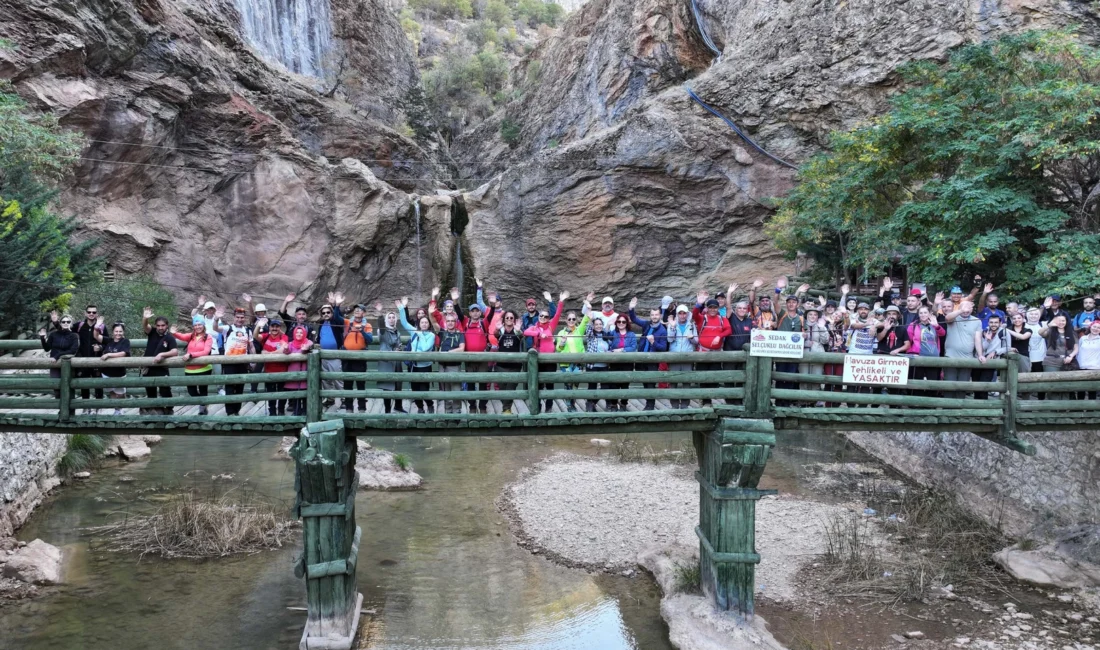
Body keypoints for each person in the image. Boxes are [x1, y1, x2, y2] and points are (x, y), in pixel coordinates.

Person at [523, 292, 568, 412]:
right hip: (538, 360)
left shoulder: (550, 326)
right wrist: (538, 333)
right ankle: (537, 406)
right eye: (541, 316)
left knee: (550, 385)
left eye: (546, 316)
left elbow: (557, 314)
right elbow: (526, 332)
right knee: (537, 385)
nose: (543, 318)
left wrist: (560, 301)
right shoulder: (535, 326)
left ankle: (549, 407)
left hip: (550, 360)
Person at [397, 298, 438, 414]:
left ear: (428, 324)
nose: (424, 324)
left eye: (426, 322)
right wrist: (401, 308)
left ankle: (430, 404)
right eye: (422, 323)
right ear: (419, 324)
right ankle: (420, 407)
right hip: (414, 366)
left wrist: (420, 334)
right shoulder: (415, 331)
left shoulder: (431, 335)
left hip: (425, 366)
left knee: (424, 390)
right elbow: (404, 323)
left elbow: (425, 348)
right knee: (415, 390)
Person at [628, 297, 668, 411]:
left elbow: (663, 348)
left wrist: (653, 342)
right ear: (650, 316)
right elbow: (634, 319)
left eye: (656, 315)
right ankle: (648, 404)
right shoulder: (646, 324)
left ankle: (650, 406)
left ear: (660, 316)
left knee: (651, 384)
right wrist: (631, 308)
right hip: (642, 359)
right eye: (652, 315)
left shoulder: (662, 330)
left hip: (652, 361)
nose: (654, 317)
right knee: (645, 384)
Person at [693, 295, 732, 406]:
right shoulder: (702, 318)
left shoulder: (722, 319)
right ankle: (705, 400)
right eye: (710, 307)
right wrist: (698, 304)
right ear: (707, 308)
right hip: (703, 353)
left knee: (714, 377)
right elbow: (694, 315)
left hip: (716, 354)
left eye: (715, 307)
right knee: (702, 376)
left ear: (718, 308)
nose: (713, 310)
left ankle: (709, 398)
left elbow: (729, 330)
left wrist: (719, 336)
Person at [171, 316, 215, 415]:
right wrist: (173, 332)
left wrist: (191, 355)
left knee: (203, 389)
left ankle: (202, 409)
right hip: (190, 369)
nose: (197, 327)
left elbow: (206, 351)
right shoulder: (191, 336)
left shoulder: (208, 337)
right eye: (195, 325)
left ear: (203, 325)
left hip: (204, 368)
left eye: (199, 324)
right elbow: (181, 336)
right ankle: (203, 403)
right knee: (192, 391)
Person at [140, 308, 179, 414]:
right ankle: (153, 410)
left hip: (162, 367)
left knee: (165, 389)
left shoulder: (170, 338)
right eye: (158, 325)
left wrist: (162, 354)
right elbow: (145, 326)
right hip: (149, 367)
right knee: (150, 390)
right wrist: (145, 318)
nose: (160, 327)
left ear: (166, 326)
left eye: (163, 325)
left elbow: (175, 351)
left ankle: (169, 409)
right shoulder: (152, 332)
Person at [943, 300, 982, 398]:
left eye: (969, 308)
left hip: (967, 358)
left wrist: (980, 354)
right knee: (949, 384)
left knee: (963, 385)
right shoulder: (954, 317)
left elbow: (978, 339)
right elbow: (947, 318)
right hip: (950, 357)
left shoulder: (977, 321)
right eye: (964, 308)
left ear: (972, 309)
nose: (966, 310)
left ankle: (959, 408)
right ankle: (948, 407)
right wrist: (961, 310)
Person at [494, 310, 529, 414]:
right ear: (504, 320)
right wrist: (497, 328)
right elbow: (495, 334)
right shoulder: (501, 330)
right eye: (507, 318)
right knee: (502, 389)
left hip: (514, 365)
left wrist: (519, 330)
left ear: (514, 320)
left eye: (511, 318)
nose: (509, 319)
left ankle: (506, 409)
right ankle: (506, 407)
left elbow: (522, 335)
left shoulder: (517, 331)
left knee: (511, 388)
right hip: (501, 365)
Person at [314, 293, 346, 408]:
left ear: (331, 313)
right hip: (324, 356)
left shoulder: (335, 322)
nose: (326, 314)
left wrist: (335, 305)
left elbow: (338, 317)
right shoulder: (322, 323)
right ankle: (330, 398)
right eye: (323, 313)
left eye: (328, 312)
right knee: (326, 379)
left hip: (335, 355)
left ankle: (343, 399)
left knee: (337, 377)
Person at [71, 304, 105, 413]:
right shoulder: (79, 326)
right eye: (89, 312)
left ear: (97, 314)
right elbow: (65, 329)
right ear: (85, 313)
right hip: (83, 360)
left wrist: (100, 347)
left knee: (98, 384)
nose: (91, 314)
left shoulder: (102, 326)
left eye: (94, 312)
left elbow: (108, 342)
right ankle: (86, 407)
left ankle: (98, 407)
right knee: (84, 384)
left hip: (97, 360)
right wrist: (56, 322)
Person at [221, 308, 254, 416]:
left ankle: (237, 410)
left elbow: (251, 346)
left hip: (243, 362)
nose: (240, 319)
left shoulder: (248, 330)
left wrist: (253, 360)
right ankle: (230, 412)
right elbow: (215, 328)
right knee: (230, 387)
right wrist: (216, 318)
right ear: (234, 318)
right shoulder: (228, 328)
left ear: (245, 318)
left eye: (242, 317)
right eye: (238, 317)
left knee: (240, 387)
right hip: (229, 361)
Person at [665, 305, 698, 409]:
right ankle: (674, 405)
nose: (682, 315)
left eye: (684, 313)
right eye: (680, 313)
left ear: (687, 314)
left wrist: (692, 338)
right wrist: (673, 327)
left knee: (686, 382)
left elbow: (696, 341)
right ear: (677, 314)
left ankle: (685, 404)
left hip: (687, 357)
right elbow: (670, 339)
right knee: (673, 382)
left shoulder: (692, 325)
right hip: (674, 357)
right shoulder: (672, 324)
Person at [373, 304, 405, 414]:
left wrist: (399, 349)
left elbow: (398, 344)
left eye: (393, 317)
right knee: (387, 386)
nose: (391, 319)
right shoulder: (383, 331)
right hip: (386, 362)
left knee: (398, 385)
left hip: (396, 362)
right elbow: (381, 325)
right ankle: (387, 410)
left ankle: (398, 406)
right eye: (389, 317)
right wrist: (380, 314)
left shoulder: (397, 331)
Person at [554, 310, 588, 412]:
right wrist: (562, 342)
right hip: (566, 363)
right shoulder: (561, 333)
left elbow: (585, 320)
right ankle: (570, 406)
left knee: (575, 384)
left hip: (578, 362)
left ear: (576, 320)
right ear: (566, 320)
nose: (572, 321)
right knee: (568, 384)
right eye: (569, 319)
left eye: (574, 319)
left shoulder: (579, 331)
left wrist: (588, 303)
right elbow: (558, 349)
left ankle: (572, 403)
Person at [38, 313, 79, 399]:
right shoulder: (54, 334)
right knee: (56, 386)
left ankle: (69, 411)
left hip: (67, 364)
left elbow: (72, 350)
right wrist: (42, 338)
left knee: (68, 387)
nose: (66, 323)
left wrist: (57, 356)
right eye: (63, 321)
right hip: (54, 364)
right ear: (60, 323)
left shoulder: (74, 336)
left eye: (68, 321)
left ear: (71, 323)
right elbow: (47, 348)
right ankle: (61, 410)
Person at [94, 323, 131, 415]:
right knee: (112, 392)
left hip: (119, 373)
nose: (118, 333)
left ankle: (121, 407)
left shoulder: (125, 341)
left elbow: (123, 353)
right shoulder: (109, 341)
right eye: (116, 331)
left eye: (120, 331)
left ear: (123, 332)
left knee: (120, 394)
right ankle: (117, 409)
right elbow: (96, 336)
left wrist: (108, 354)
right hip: (106, 372)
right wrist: (96, 326)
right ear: (113, 332)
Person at [433, 308, 465, 415]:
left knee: (456, 389)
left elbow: (461, 349)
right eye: (448, 321)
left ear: (456, 323)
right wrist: (430, 311)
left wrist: (448, 353)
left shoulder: (460, 334)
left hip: (454, 365)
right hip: (442, 365)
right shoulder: (442, 332)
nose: (450, 323)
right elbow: (433, 322)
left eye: (452, 321)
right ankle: (448, 411)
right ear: (446, 323)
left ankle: (457, 412)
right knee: (446, 390)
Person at [462, 302, 492, 414]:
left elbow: (491, 315)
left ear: (480, 312)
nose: (475, 313)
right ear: (469, 313)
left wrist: (492, 306)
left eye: (477, 311)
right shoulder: (466, 322)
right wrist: (455, 302)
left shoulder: (484, 323)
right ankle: (472, 406)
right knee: (470, 383)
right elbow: (459, 314)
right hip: (469, 359)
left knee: (483, 383)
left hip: (482, 358)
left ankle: (483, 406)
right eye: (473, 311)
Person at [1039, 314, 1077, 400]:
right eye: (1058, 320)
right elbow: (1040, 332)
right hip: (1051, 361)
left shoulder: (1072, 333)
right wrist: (1049, 325)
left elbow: (1076, 348)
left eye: (1063, 320)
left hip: (1067, 362)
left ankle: (1065, 407)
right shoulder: (1051, 331)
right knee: (1051, 384)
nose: (1061, 322)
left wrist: (1071, 356)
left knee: (1066, 385)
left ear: (1066, 321)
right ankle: (1054, 407)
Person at [258, 318, 290, 416]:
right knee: (270, 392)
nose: (274, 328)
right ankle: (272, 411)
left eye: (277, 326)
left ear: (280, 328)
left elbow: (281, 350)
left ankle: (281, 410)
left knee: (282, 392)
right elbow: (255, 336)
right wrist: (258, 326)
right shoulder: (266, 336)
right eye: (273, 326)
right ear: (269, 327)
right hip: (269, 370)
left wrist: (268, 354)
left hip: (282, 370)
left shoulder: (284, 337)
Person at [607, 313, 638, 412]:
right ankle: (613, 404)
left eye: (623, 322)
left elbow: (633, 347)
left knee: (625, 384)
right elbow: (605, 336)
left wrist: (621, 350)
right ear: (616, 323)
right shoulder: (613, 332)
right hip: (614, 362)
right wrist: (608, 324)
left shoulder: (631, 334)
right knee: (613, 384)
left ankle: (624, 403)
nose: (621, 323)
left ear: (626, 323)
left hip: (627, 363)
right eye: (619, 321)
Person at [906, 307, 946, 383]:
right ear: (918, 314)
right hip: (918, 357)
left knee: (932, 381)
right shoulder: (913, 325)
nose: (923, 315)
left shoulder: (934, 324)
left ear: (929, 314)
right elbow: (908, 341)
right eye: (921, 313)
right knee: (917, 381)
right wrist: (910, 354)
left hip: (933, 357)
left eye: (925, 312)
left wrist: (936, 326)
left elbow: (942, 334)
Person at [799, 305, 830, 401]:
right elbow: (794, 340)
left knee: (817, 377)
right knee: (803, 377)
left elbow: (825, 341)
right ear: (806, 316)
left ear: (818, 316)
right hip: (803, 354)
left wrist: (822, 328)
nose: (813, 316)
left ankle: (815, 400)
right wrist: (805, 342)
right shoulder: (801, 325)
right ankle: (803, 399)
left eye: (815, 315)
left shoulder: (821, 326)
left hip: (818, 354)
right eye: (810, 314)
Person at [974, 315, 1007, 400]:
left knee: (984, 384)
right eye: (991, 322)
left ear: (1000, 323)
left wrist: (995, 352)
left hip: (991, 362)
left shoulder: (1004, 332)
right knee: (976, 384)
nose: (993, 324)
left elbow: (1008, 347)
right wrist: (988, 340)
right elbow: (980, 348)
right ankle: (975, 406)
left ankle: (983, 406)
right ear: (988, 323)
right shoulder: (983, 331)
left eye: (996, 322)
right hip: (978, 360)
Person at [583, 316, 612, 412]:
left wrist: (610, 352)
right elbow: (587, 329)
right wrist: (590, 318)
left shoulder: (606, 336)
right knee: (592, 386)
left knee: (605, 387)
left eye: (600, 324)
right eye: (596, 324)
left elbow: (610, 347)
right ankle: (590, 404)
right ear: (593, 326)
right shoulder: (591, 336)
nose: (598, 326)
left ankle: (603, 404)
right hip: (593, 365)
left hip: (604, 365)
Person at [242, 294, 269, 394]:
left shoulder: (268, 321)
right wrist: (250, 303)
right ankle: (253, 390)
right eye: (259, 312)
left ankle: (268, 388)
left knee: (268, 370)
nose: (261, 313)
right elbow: (252, 315)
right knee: (256, 371)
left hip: (267, 349)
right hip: (256, 349)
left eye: (262, 311)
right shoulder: (254, 321)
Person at [285, 325, 313, 416]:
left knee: (305, 394)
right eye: (297, 332)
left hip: (304, 371)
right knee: (296, 394)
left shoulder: (307, 341)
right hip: (294, 371)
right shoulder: (290, 343)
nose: (299, 334)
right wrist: (285, 349)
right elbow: (287, 351)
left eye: (301, 332)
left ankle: (305, 411)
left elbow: (310, 344)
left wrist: (306, 348)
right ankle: (296, 411)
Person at [1076, 320, 1100, 398]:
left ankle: (1091, 410)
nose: (1096, 329)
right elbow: (1077, 351)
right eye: (1094, 326)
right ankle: (1079, 409)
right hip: (1081, 367)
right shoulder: (1083, 338)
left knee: (1092, 391)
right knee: (1080, 390)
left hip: (1094, 368)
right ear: (1090, 327)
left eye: (1098, 328)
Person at [1005, 313, 1033, 377]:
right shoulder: (1007, 329)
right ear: (1011, 320)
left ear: (1023, 319)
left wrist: (1007, 330)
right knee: (1010, 376)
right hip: (1010, 356)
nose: (1017, 320)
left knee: (1024, 376)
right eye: (1014, 318)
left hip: (1023, 355)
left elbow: (1023, 337)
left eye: (1019, 318)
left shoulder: (1028, 330)